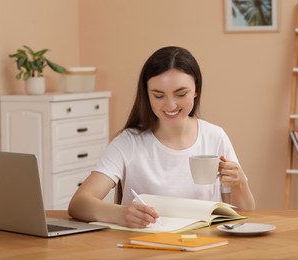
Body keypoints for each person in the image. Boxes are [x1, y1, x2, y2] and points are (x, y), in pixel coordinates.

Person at [68, 46, 255, 228]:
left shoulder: (215, 136)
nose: (170, 105)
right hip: (145, 248)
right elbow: (79, 204)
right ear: (147, 94)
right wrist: (120, 214)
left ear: (196, 89)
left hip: (203, 248)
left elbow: (246, 213)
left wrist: (239, 184)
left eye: (181, 94)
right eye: (158, 96)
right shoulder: (129, 142)